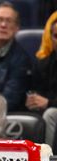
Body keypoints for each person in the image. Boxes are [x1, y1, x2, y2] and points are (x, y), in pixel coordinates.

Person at [27, 11, 57, 149]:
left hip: (52, 110)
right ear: (50, 38)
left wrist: (49, 103)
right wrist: (31, 101)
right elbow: (37, 91)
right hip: (47, 108)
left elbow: (47, 102)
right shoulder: (44, 61)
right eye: (56, 36)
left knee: (50, 114)